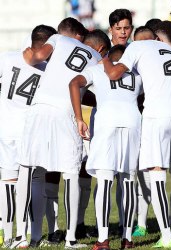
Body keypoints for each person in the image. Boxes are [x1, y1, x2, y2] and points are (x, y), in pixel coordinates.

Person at [11, 18, 110, 249]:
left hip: (41, 107)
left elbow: (35, 57)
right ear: (100, 47)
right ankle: (71, 240)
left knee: (27, 168)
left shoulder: (57, 38)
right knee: (71, 174)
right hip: (67, 112)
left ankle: (22, 237)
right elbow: (98, 92)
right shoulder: (96, 58)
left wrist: (28, 53)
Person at [102, 25, 171, 248]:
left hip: (157, 116)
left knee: (157, 175)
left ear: (137, 40)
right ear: (155, 37)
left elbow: (114, 73)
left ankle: (165, 237)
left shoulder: (136, 48)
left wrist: (106, 59)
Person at [70, 44, 142, 250]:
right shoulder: (137, 74)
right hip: (132, 122)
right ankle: (127, 238)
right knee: (128, 181)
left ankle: (103, 239)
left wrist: (78, 118)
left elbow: (74, 83)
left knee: (105, 182)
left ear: (109, 57)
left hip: (106, 122)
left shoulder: (99, 68)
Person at [0, 24, 56, 248]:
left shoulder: (6, 58)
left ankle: (9, 236)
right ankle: (33, 237)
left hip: (6, 131)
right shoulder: (47, 70)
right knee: (35, 182)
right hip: (31, 135)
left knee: (8, 183)